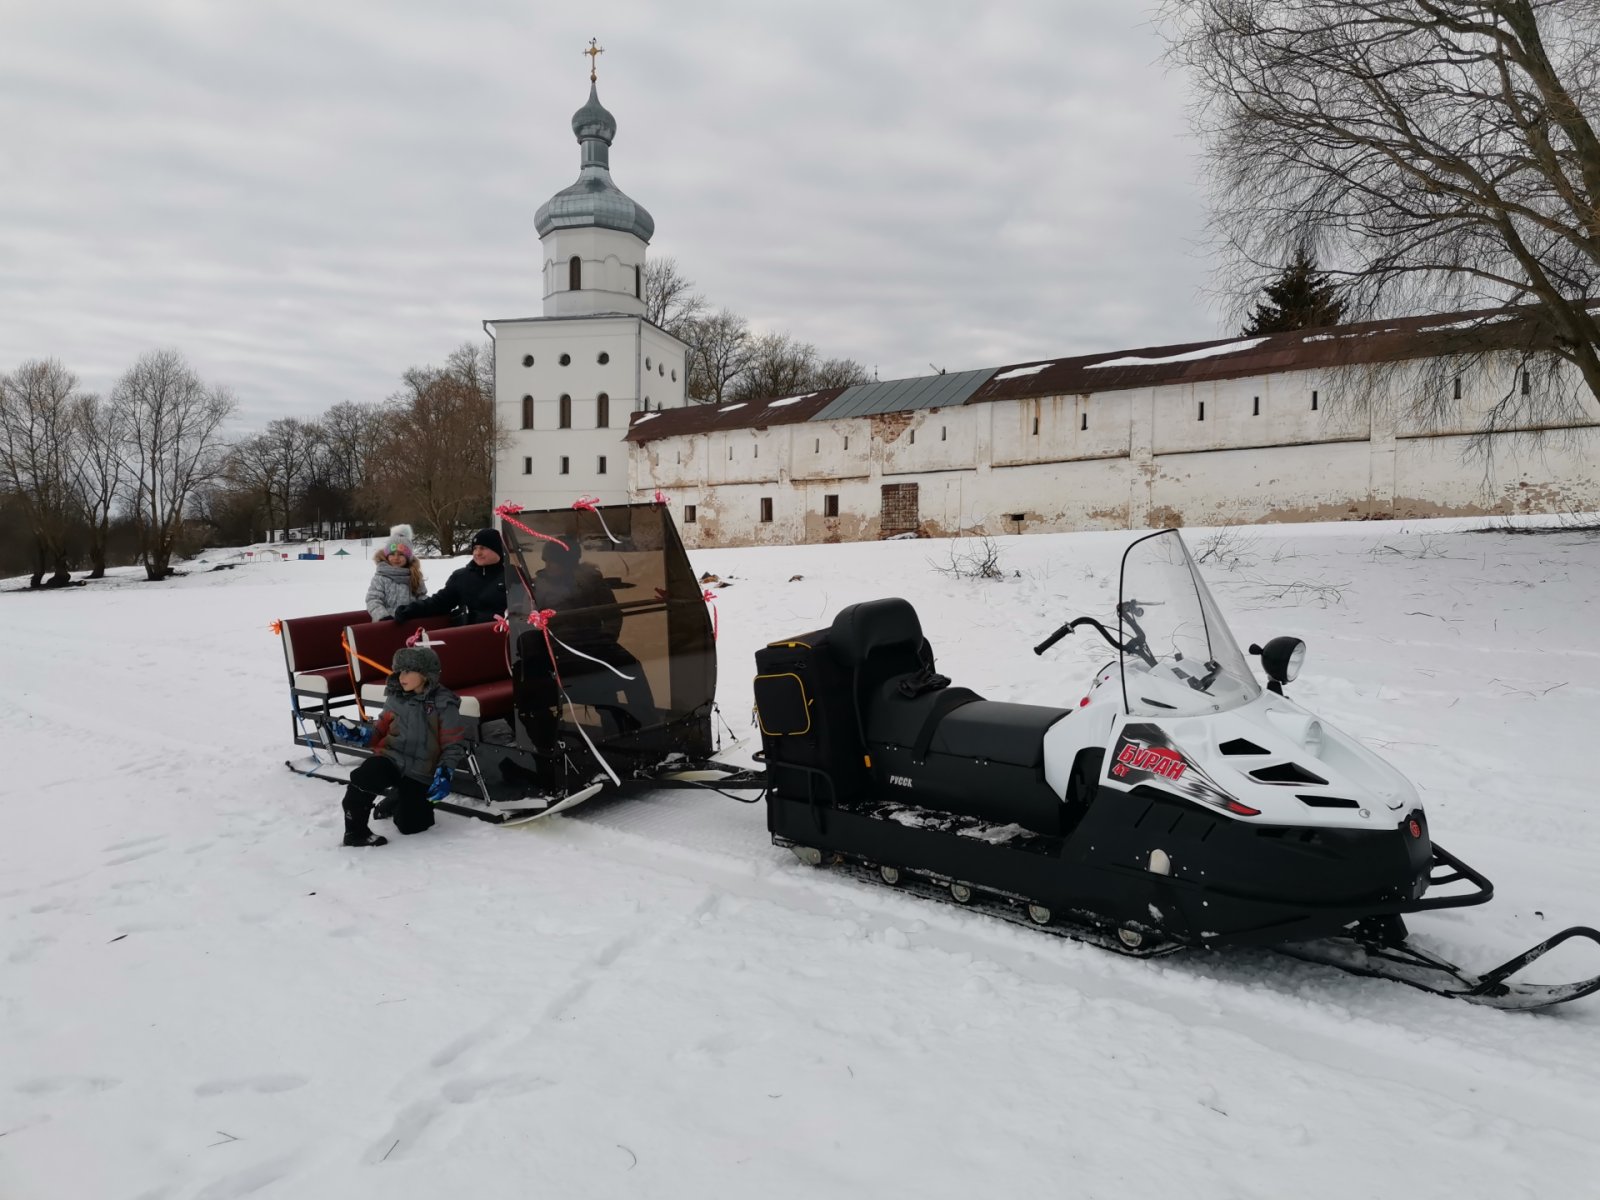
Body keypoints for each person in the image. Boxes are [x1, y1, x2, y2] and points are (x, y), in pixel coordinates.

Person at [515, 540, 655, 770]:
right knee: (598, 683)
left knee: (632, 666)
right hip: (556, 649)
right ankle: (598, 735)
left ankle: (647, 727)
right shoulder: (534, 587)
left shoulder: (591, 582)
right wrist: (548, 646)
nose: (553, 566)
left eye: (558, 561)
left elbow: (612, 615)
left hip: (594, 642)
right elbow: (525, 622)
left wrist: (606, 641)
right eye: (549, 561)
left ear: (571, 562)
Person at [335, 644, 468, 847]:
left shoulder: (444, 704)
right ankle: (355, 832)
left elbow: (453, 744)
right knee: (365, 775)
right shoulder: (395, 698)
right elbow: (379, 732)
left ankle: (397, 799)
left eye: (407, 671)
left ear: (425, 674)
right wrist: (359, 735)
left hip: (421, 770)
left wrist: (445, 772)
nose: (401, 676)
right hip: (392, 758)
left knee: (412, 826)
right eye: (399, 671)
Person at [394, 527, 507, 626]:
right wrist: (410, 610)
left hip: (504, 639)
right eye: (475, 548)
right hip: (471, 638)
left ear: (497, 550)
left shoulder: (512, 577)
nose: (477, 553)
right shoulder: (461, 577)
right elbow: (439, 603)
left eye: (483, 548)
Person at [365, 526, 426, 620]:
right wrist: (383, 617)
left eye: (401, 554)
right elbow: (373, 599)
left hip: (410, 623)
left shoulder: (414, 576)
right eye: (392, 554)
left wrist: (428, 607)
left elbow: (422, 598)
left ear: (408, 557)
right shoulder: (381, 577)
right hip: (386, 625)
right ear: (387, 556)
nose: (396, 558)